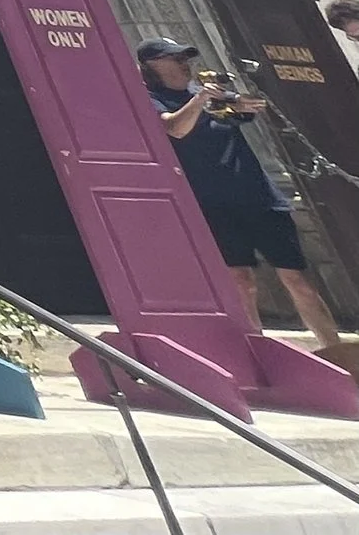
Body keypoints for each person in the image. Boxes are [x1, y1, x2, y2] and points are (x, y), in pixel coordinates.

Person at [138, 36, 343, 348]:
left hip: (260, 197)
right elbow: (174, 129)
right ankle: (255, 349)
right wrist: (202, 100)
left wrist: (242, 102)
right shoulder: (151, 97)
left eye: (185, 57)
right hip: (213, 203)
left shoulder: (210, 95)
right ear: (152, 64)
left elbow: (244, 108)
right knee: (240, 282)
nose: (184, 63)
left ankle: (336, 351)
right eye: (174, 57)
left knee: (298, 280)